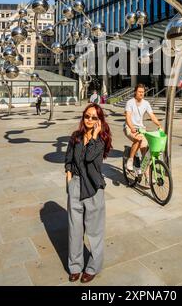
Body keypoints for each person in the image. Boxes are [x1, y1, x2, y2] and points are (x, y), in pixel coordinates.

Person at [65, 103, 112, 283]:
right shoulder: (75, 137)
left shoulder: (101, 139)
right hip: (76, 186)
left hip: (93, 188)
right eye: (87, 116)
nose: (90, 120)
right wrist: (69, 183)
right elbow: (69, 161)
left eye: (94, 117)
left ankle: (92, 267)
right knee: (74, 230)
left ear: (99, 120)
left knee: (94, 232)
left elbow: (90, 156)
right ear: (83, 117)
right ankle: (75, 266)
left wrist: (93, 135)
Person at [124, 83, 162, 172]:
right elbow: (128, 117)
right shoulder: (130, 103)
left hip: (141, 129)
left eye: (143, 92)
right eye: (139, 92)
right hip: (129, 127)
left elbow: (152, 115)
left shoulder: (146, 103)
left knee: (145, 154)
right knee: (138, 139)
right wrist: (132, 127)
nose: (141, 93)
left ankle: (146, 175)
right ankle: (130, 159)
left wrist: (159, 125)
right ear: (135, 92)